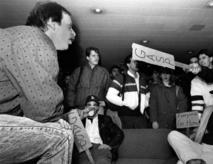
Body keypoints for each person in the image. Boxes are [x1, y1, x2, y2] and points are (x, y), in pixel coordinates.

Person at [0, 2, 76, 164]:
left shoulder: (17, 37)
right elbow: (44, 109)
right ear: (52, 24)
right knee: (62, 134)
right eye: (69, 27)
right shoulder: (38, 41)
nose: (74, 34)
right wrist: (62, 116)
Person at [74, 95, 124, 164]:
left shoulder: (105, 119)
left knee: (102, 161)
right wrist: (79, 118)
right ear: (85, 107)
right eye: (89, 105)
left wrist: (109, 145)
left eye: (94, 105)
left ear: (97, 108)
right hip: (85, 150)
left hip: (100, 148)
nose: (92, 107)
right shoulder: (79, 121)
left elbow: (119, 133)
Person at [106, 55, 149, 128]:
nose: (137, 63)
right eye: (134, 61)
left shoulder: (142, 79)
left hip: (141, 116)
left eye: (137, 61)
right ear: (128, 64)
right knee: (128, 138)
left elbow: (147, 93)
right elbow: (109, 96)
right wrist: (124, 102)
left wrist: (146, 103)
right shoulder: (122, 77)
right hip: (126, 116)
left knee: (142, 138)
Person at [190, 49, 213, 118]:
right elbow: (197, 104)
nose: (201, 61)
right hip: (211, 115)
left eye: (204, 58)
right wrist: (196, 121)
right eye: (199, 59)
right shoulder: (195, 81)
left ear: (211, 59)